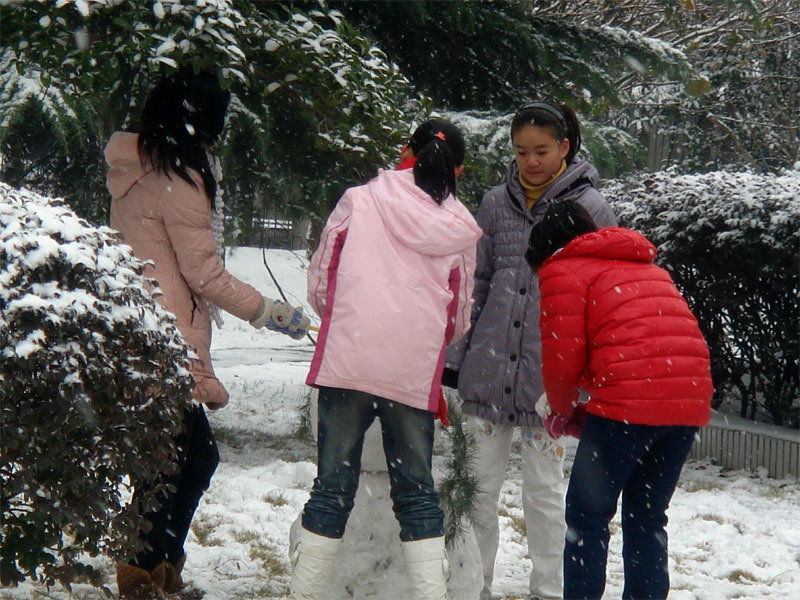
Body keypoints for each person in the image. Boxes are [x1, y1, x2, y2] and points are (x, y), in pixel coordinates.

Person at [105, 67, 309, 599]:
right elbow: (204, 274)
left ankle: (158, 573)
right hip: (168, 337)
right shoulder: (179, 180)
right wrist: (272, 312)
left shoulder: (142, 171)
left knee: (177, 461)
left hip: (145, 329)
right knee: (179, 464)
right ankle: (146, 578)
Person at [292, 119, 482, 600]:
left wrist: (352, 322)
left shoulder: (361, 198)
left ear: (405, 150)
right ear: (458, 169)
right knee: (416, 491)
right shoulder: (460, 227)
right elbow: (458, 316)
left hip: (347, 364)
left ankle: (305, 593)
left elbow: (321, 277)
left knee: (332, 486)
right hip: (411, 374)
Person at [442, 101, 617, 600]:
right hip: (488, 369)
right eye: (521, 152)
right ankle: (475, 584)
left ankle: (549, 587)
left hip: (550, 379)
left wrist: (588, 373)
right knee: (477, 487)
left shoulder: (593, 209)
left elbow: (600, 293)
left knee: (544, 491)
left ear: (565, 148)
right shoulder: (496, 202)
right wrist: (456, 360)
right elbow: (475, 282)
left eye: (541, 150)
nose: (531, 161)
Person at [527, 200, 713, 600]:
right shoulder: (647, 267)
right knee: (646, 518)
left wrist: (560, 411)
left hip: (628, 403)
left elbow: (562, 357)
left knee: (587, 518)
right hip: (686, 402)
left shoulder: (563, 268)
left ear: (547, 248)